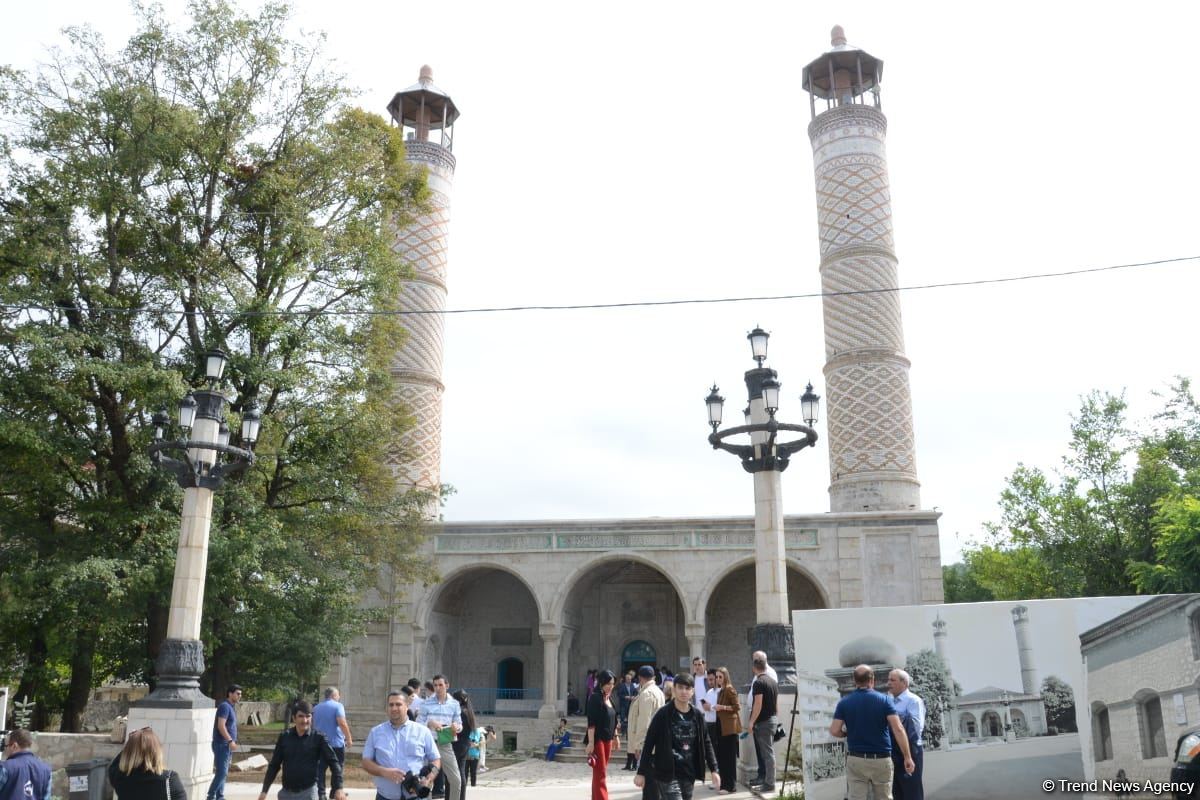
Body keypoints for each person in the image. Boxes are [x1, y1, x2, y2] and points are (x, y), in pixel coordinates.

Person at [829, 665, 914, 800]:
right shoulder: (885, 700)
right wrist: (907, 756)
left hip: (856, 759)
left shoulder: (844, 703)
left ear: (854, 681)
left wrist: (845, 734)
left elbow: (834, 730)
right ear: (872, 680)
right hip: (881, 759)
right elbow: (898, 729)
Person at [634, 673, 720, 800]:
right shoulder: (663, 714)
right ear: (674, 689)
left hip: (688, 772)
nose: (683, 691)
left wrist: (714, 769)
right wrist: (641, 772)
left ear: (692, 691)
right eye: (680, 687)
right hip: (667, 773)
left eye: (687, 688)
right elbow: (649, 743)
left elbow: (706, 742)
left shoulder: (697, 715)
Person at [361, 691, 441, 800]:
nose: (394, 708)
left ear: (407, 706)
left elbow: (436, 760)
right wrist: (384, 772)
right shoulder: (375, 732)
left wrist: (429, 778)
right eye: (391, 705)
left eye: (398, 704)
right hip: (385, 796)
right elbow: (366, 762)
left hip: (416, 796)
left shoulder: (423, 731)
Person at [259, 701, 346, 800]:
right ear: (294, 718)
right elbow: (274, 765)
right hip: (286, 793)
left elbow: (334, 762)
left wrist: (339, 787)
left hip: (308, 793)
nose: (305, 720)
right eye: (301, 716)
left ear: (311, 718)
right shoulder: (284, 737)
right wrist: (264, 791)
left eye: (308, 716)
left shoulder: (319, 738)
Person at [416, 674, 463, 800]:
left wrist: (456, 727)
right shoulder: (426, 703)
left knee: (456, 780)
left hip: (445, 743)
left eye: (440, 685)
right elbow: (417, 724)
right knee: (424, 778)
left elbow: (460, 724)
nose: (437, 688)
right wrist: (429, 723)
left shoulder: (454, 704)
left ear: (447, 685)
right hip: (428, 744)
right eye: (435, 685)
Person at [107, 727, 185, 800]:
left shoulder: (120, 777)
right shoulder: (169, 779)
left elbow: (113, 765)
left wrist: (131, 743)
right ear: (157, 752)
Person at [887, 669, 925, 800]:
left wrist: (895, 721)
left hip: (910, 749)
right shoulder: (889, 701)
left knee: (912, 791)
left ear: (904, 683)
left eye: (892, 680)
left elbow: (916, 728)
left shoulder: (913, 700)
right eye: (888, 680)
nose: (888, 683)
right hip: (893, 750)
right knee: (897, 791)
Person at [626, 665, 664, 799]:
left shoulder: (647, 694)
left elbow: (644, 723)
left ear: (640, 678)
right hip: (656, 745)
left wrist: (639, 746)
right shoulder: (658, 691)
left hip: (649, 747)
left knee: (649, 786)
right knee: (652, 785)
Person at [584, 669, 620, 800]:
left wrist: (616, 737)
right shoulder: (595, 698)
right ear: (601, 683)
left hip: (608, 739)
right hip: (598, 739)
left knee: (601, 771)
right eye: (608, 683)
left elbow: (614, 720)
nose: (611, 686)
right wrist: (591, 743)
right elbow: (591, 723)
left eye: (613, 683)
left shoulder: (610, 698)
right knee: (601, 773)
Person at [313, 687, 353, 800]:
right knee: (337, 769)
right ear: (334, 695)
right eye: (338, 695)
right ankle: (336, 792)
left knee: (320, 770)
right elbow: (342, 723)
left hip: (319, 744)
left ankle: (321, 794)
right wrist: (349, 738)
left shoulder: (316, 708)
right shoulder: (338, 706)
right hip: (336, 744)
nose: (339, 697)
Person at [746, 656, 778, 793]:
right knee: (768, 753)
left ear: (754, 668)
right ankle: (768, 781)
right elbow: (776, 703)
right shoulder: (772, 681)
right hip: (772, 719)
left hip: (764, 722)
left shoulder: (759, 682)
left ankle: (770, 783)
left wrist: (751, 722)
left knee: (767, 754)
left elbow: (757, 704)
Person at [206, 684, 242, 800]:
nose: (240, 696)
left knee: (223, 773)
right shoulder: (225, 707)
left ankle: (219, 797)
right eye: (238, 693)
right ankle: (210, 796)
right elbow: (221, 726)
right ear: (230, 694)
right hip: (222, 744)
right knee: (222, 772)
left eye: (240, 694)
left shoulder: (230, 707)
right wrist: (230, 740)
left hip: (226, 746)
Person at [711, 667, 742, 794]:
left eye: (720, 677)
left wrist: (721, 707)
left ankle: (730, 786)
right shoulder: (721, 690)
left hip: (729, 729)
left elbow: (737, 707)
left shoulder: (729, 689)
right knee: (722, 757)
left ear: (725, 677)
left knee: (729, 758)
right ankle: (724, 785)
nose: (718, 679)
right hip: (721, 726)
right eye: (717, 677)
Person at [0, 730, 51, 800]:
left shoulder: (5, 767)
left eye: (7, 746)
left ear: (14, 745)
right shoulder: (46, 770)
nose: (6, 749)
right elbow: (46, 797)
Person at [450, 690, 476, 800]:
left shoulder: (460, 712)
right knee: (461, 771)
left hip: (457, 743)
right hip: (465, 744)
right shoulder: (468, 711)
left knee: (454, 773)